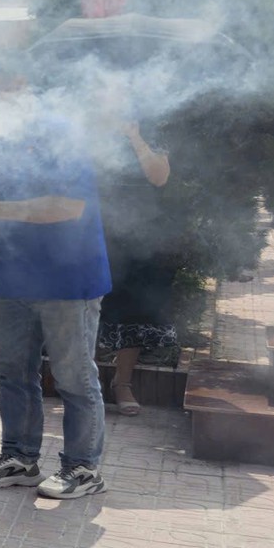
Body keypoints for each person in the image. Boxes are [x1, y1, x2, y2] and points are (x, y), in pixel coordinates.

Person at [0, 58, 113, 500]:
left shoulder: (60, 132)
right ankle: (19, 458)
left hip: (68, 280)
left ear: (22, 82)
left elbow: (69, 206)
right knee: (12, 370)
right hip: (15, 278)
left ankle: (83, 468)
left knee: (73, 377)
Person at [93, 88, 175, 417]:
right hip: (93, 231)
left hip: (139, 234)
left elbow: (159, 177)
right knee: (86, 308)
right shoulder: (85, 130)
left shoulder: (150, 131)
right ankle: (85, 383)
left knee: (133, 310)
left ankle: (122, 383)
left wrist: (134, 137)